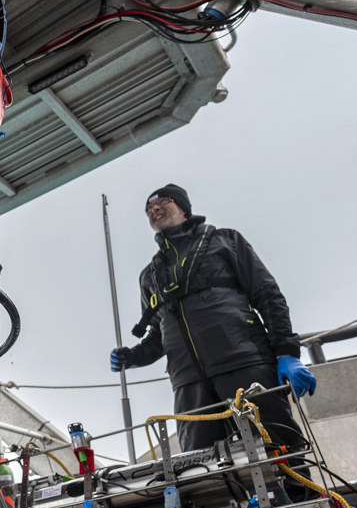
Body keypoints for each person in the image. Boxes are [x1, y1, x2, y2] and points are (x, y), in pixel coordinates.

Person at [110, 184, 316, 453]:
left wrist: (287, 352)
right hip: (189, 384)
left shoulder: (225, 241)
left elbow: (267, 295)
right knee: (199, 464)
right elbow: (159, 334)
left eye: (163, 201)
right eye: (149, 207)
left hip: (244, 363)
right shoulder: (150, 275)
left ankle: (296, 482)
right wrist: (133, 356)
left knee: (279, 448)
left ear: (183, 208)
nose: (154, 208)